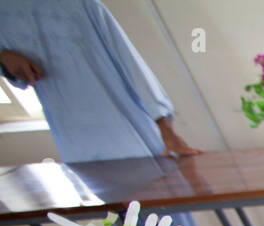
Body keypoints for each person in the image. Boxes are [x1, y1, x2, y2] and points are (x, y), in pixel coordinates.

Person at [0, 0, 200, 163]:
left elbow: (132, 66)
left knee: (161, 205)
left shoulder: (81, 6)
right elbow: (19, 77)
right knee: (111, 209)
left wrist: (167, 130)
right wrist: (4, 59)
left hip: (130, 134)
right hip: (75, 144)